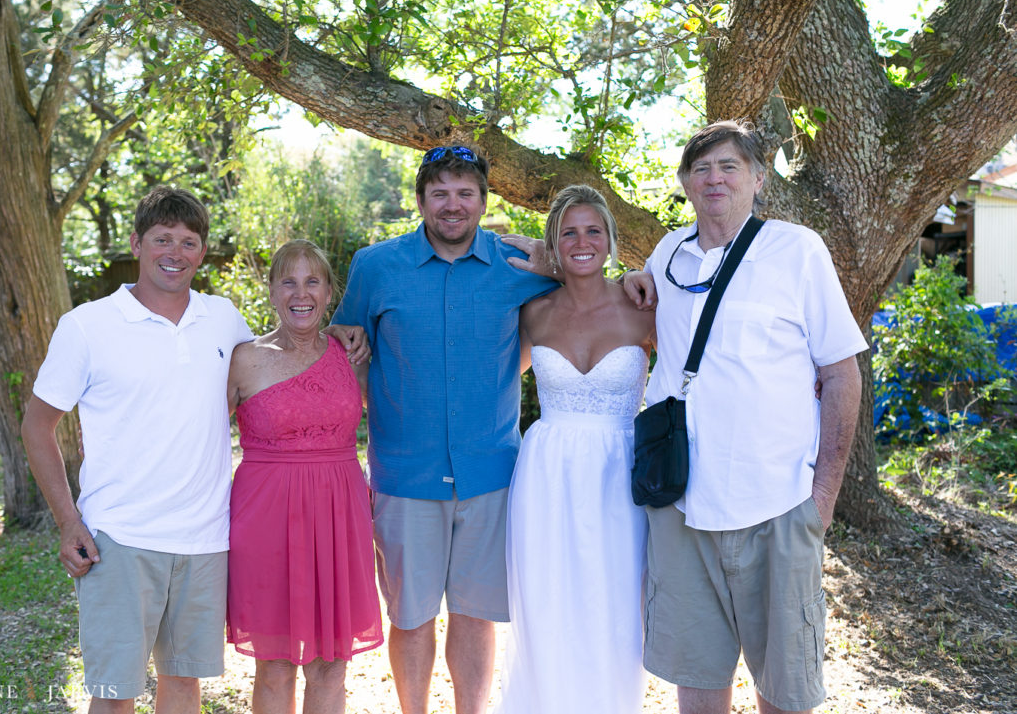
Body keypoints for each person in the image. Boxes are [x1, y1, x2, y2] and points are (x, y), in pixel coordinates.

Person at [332, 145, 655, 714]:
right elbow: (345, 345)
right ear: (420, 201)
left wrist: (635, 274)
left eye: (465, 194)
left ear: (484, 201)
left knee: (476, 612)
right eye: (440, 194)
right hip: (406, 471)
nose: (452, 206)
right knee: (410, 616)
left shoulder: (518, 268)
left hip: (492, 472)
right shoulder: (375, 266)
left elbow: (578, 269)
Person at [21, 187, 367, 714]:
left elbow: (285, 368)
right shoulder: (87, 326)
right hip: (121, 536)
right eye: (162, 239)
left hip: (206, 537)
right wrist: (69, 521)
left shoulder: (223, 320)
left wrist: (336, 332)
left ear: (202, 252)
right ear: (137, 242)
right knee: (116, 693)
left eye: (188, 242)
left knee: (183, 687)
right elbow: (37, 425)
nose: (174, 252)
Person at [641, 120, 866, 714]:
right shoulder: (667, 253)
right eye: (702, 168)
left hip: (778, 502)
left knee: (786, 691)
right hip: (683, 504)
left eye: (729, 166)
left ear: (758, 178)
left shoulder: (797, 249)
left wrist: (823, 497)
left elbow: (842, 372)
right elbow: (625, 311)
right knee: (696, 677)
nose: (714, 178)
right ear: (685, 182)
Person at [496, 185, 656, 714]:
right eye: (569, 232)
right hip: (547, 473)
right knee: (548, 601)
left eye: (593, 231)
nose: (582, 241)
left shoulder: (644, 307)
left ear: (611, 241)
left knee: (616, 606)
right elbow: (493, 380)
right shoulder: (534, 313)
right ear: (554, 244)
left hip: (621, 472)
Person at [225, 240, 383, 714]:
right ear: (272, 292)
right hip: (266, 520)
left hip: (339, 517)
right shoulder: (243, 359)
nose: (301, 293)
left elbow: (395, 418)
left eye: (312, 281)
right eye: (288, 282)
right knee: (274, 665)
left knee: (331, 664)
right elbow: (197, 438)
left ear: (330, 291)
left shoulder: (350, 353)